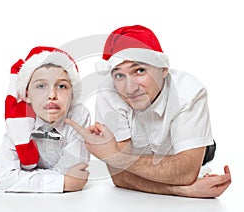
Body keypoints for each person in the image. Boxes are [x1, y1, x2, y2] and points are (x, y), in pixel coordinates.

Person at [65, 25, 231, 198]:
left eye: (139, 71)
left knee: (206, 151)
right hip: (150, 156)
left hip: (180, 145)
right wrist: (183, 190)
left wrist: (117, 157)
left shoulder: (189, 93)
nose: (130, 89)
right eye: (119, 75)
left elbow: (187, 172)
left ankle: (206, 148)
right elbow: (120, 178)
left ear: (164, 69)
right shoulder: (109, 92)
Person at [0, 46, 90, 193]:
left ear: (72, 94)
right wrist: (62, 183)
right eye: (41, 86)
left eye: (62, 86)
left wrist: (14, 175)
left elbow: (73, 173)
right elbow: (3, 179)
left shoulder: (78, 117)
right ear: (27, 95)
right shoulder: (18, 124)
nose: (51, 95)